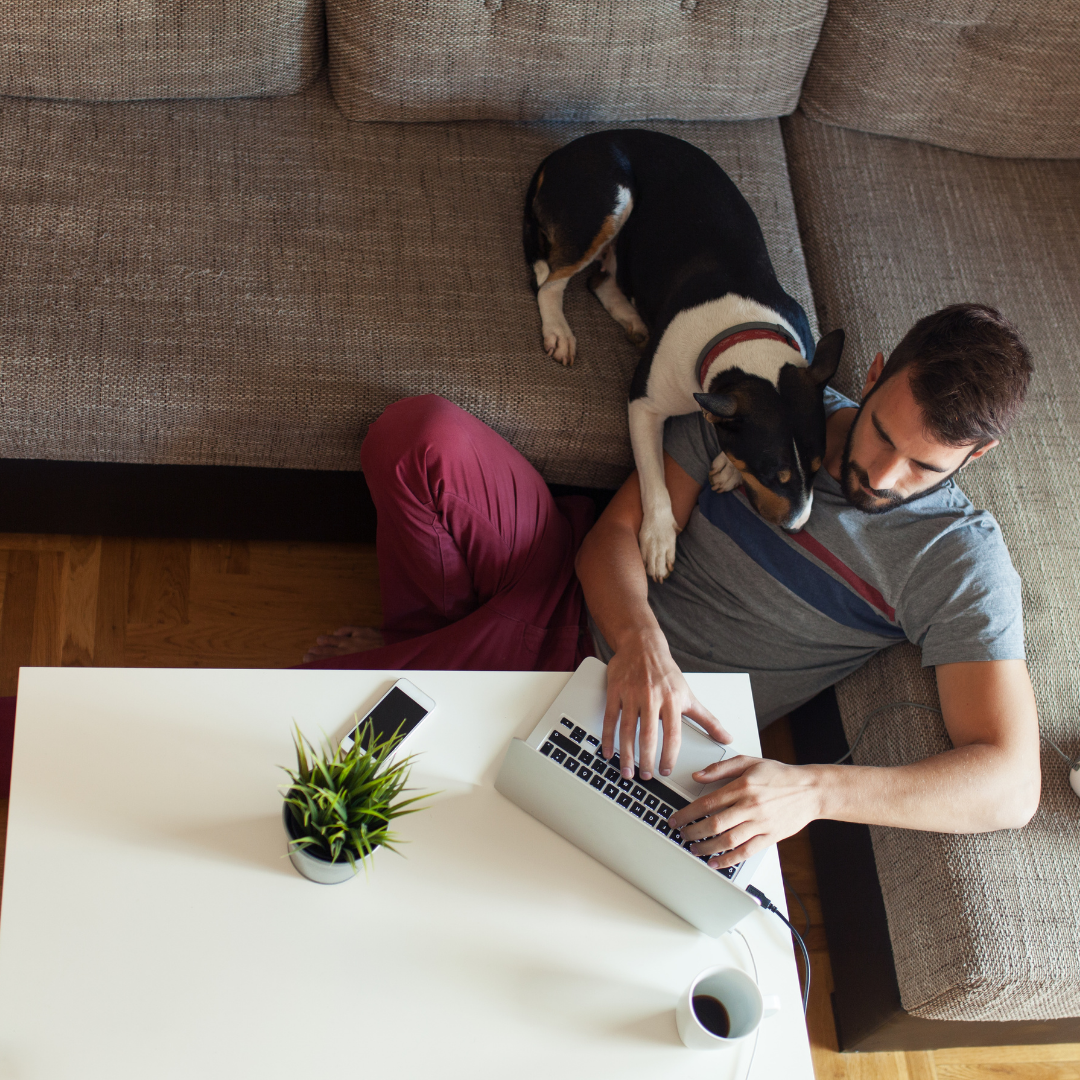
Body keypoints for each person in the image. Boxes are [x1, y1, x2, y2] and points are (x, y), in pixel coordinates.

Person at [306, 303, 1041, 867]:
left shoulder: (957, 561)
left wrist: (811, 791)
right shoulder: (767, 404)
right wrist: (640, 644)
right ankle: (432, 643)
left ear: (977, 455)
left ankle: (428, 653)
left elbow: (1009, 786)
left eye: (922, 466)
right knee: (419, 435)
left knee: (337, 757)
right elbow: (613, 537)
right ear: (874, 373)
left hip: (628, 722)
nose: (880, 474)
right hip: (573, 586)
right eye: (880, 432)